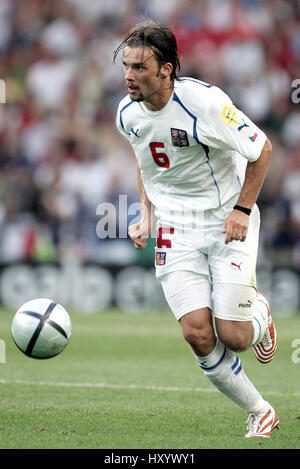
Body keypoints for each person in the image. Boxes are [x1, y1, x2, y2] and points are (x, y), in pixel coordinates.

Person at [114, 20, 279, 438]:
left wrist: (242, 209)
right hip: (176, 227)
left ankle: (259, 314)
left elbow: (262, 150)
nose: (129, 76)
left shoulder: (205, 104)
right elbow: (147, 161)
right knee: (197, 333)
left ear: (166, 69)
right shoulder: (126, 113)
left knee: (236, 336)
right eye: (126, 66)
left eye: (139, 67)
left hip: (226, 221)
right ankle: (260, 411)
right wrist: (147, 213)